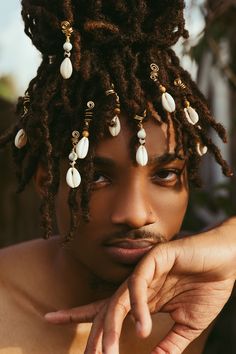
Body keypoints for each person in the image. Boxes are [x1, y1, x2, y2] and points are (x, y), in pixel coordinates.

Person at [0, 1, 235, 353]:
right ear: (47, 178)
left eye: (166, 174)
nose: (136, 214)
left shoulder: (218, 287)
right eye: (96, 177)